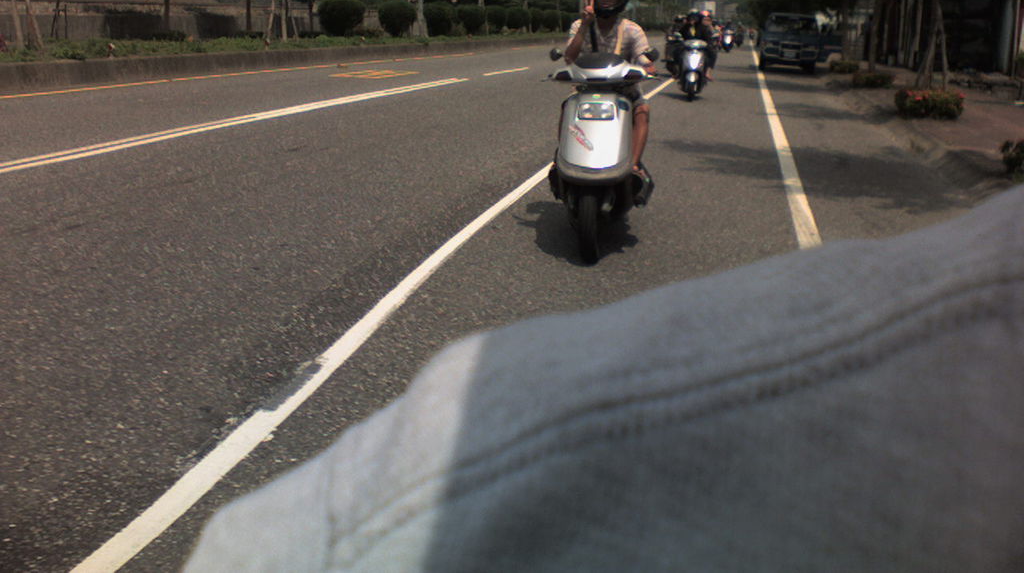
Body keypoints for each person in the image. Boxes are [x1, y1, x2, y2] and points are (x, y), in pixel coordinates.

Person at [185, 185, 1024, 572]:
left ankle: (635, 171)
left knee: (635, 115)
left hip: (624, 106)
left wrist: (643, 66)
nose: (609, 10)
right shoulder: (587, 27)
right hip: (588, 105)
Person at [563, 0, 655, 177]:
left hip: (624, 90)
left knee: (642, 110)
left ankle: (634, 165)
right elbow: (569, 57)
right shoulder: (579, 25)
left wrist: (648, 66)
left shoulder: (632, 29)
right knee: (567, 106)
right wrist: (585, 25)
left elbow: (642, 55)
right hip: (587, 89)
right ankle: (563, 157)